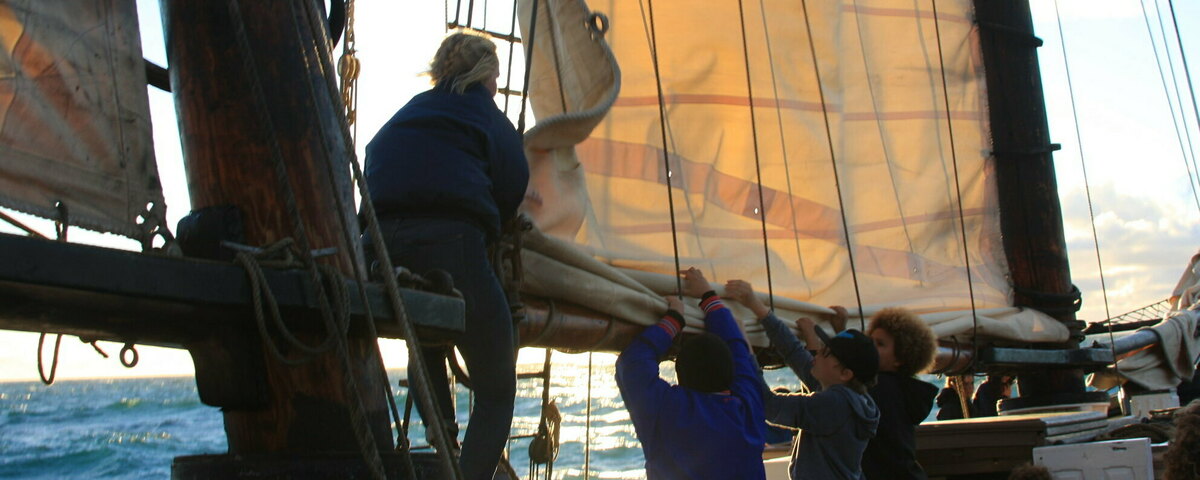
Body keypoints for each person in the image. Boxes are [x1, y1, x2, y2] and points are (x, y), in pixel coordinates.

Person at [362, 32, 529, 479]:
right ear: (489, 74)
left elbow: (373, 160)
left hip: (377, 250)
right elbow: (513, 186)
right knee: (496, 393)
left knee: (424, 331)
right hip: (452, 244)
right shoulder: (488, 117)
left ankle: (444, 439)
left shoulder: (408, 113)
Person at [726, 281, 935, 480]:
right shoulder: (855, 398)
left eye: (824, 353)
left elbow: (768, 405)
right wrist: (759, 308)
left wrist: (743, 347)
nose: (815, 355)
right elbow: (796, 354)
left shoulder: (835, 404)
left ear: (846, 373)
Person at [615, 268, 766, 479]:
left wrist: (674, 318)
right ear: (730, 372)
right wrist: (706, 294)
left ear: (681, 374)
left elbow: (633, 361)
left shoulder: (667, 409)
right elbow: (738, 349)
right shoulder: (748, 406)